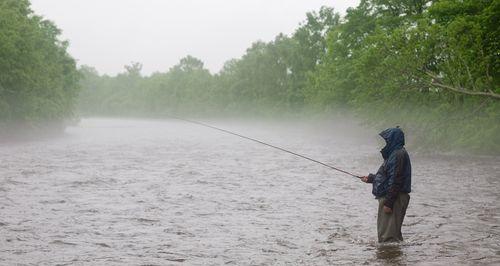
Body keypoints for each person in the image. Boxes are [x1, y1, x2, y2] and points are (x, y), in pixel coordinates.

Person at [361, 127, 412, 243]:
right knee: (391, 236)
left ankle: (389, 260)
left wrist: (389, 203)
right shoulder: (395, 153)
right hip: (394, 197)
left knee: (388, 239)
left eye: (387, 140)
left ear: (393, 140)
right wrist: (371, 179)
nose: (385, 142)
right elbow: (389, 176)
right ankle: (394, 259)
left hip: (394, 198)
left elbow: (396, 180)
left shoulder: (398, 154)